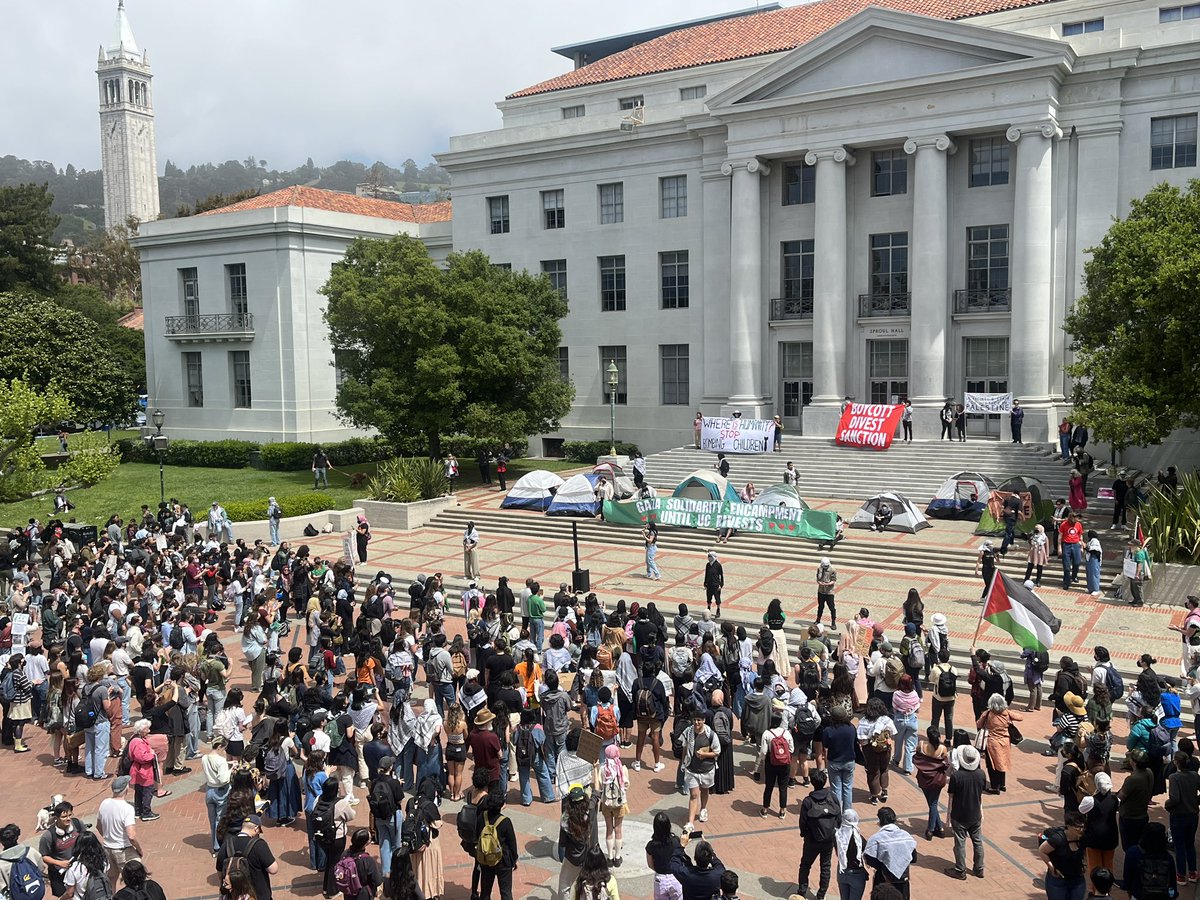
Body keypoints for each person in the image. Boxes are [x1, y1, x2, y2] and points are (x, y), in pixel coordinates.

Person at [797, 768, 841, 900]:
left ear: (812, 782)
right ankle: (821, 895)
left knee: (805, 864)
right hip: (828, 840)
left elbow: (802, 821)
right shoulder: (832, 797)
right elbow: (839, 817)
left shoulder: (808, 801)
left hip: (812, 840)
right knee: (825, 866)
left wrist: (804, 834)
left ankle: (802, 891)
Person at [943, 745, 985, 879]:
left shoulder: (957, 776)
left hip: (959, 815)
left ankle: (960, 870)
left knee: (960, 843)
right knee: (977, 841)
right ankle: (979, 868)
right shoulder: (981, 774)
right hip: (975, 814)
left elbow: (951, 795)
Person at [216, 814, 279, 900]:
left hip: (235, 896)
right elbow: (273, 869)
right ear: (256, 828)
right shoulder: (259, 845)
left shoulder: (227, 845)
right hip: (259, 895)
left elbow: (220, 872)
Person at [98, 776, 143, 890]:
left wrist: (109, 837)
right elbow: (131, 836)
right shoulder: (127, 808)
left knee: (111, 878)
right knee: (134, 880)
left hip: (108, 847)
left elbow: (98, 826)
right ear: (126, 788)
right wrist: (139, 849)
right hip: (123, 850)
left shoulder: (104, 803)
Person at [863, 807, 916, 900]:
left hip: (883, 880)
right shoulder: (906, 836)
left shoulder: (876, 838)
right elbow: (914, 858)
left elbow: (869, 859)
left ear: (880, 821)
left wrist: (882, 864)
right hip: (902, 880)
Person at [681, 711, 719, 833]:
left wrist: (705, 754)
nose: (696, 722)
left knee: (705, 790)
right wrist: (683, 762)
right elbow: (685, 748)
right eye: (694, 720)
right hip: (692, 769)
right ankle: (690, 822)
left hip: (707, 769)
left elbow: (717, 752)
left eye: (699, 720)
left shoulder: (711, 735)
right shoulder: (688, 732)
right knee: (693, 795)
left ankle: (703, 808)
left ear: (704, 720)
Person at [976, 693, 1021, 793]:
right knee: (1002, 762)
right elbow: (1020, 717)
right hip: (1005, 741)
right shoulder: (1006, 713)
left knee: (992, 765)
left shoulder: (988, 714)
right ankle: (1002, 784)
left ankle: (994, 786)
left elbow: (978, 724)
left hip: (992, 741)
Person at [1165, 752, 1199, 885]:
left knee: (1179, 846)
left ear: (1176, 763)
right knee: (1190, 844)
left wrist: (1167, 805)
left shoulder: (1174, 777)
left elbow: (1175, 798)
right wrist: (1195, 801)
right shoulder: (1195, 775)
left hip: (1178, 815)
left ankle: (1181, 875)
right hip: (1192, 815)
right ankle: (1192, 872)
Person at [1121, 821, 1177, 900]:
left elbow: (1127, 879)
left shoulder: (1132, 853)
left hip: (1139, 895)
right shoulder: (1168, 858)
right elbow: (1172, 884)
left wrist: (1130, 891)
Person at [1039, 812, 1088, 900]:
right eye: (1077, 827)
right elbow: (1042, 851)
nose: (1081, 830)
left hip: (1077, 880)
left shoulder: (1082, 838)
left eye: (1082, 827)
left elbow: (1084, 852)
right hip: (1058, 881)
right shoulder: (1057, 839)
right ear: (1068, 826)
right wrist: (1052, 868)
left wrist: (1084, 863)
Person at [856, 698, 896, 805]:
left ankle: (874, 796)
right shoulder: (886, 719)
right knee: (884, 769)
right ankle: (884, 791)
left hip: (870, 749)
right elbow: (893, 732)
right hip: (885, 748)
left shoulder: (863, 721)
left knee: (873, 772)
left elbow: (861, 739)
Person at [913, 726, 948, 840]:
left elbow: (916, 755)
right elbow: (945, 763)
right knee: (933, 804)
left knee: (932, 803)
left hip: (924, 779)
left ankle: (931, 830)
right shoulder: (942, 748)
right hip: (937, 780)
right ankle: (940, 829)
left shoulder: (921, 744)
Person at [669, 833, 725, 900]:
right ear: (710, 859)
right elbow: (717, 863)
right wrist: (709, 850)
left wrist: (681, 846)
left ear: (695, 858)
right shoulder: (718, 874)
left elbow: (673, 863)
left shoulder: (686, 874)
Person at [760, 712, 793, 818]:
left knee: (769, 786)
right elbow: (791, 749)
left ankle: (765, 809)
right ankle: (782, 810)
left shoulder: (767, 733)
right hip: (785, 763)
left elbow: (763, 751)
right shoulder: (786, 733)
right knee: (783, 787)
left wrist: (763, 760)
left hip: (771, 762)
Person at [645, 812, 683, 900]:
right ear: (668, 826)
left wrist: (661, 869)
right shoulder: (676, 841)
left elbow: (650, 865)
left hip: (660, 880)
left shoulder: (651, 845)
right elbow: (680, 857)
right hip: (675, 877)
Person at [0, 822, 44, 899]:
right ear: (17, 837)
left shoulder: (1, 863)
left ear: (1, 842)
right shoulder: (31, 851)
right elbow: (41, 868)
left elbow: (2, 887)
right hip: (35, 893)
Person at [337, 828, 382, 900]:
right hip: (363, 893)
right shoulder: (368, 860)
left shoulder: (345, 854)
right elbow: (377, 880)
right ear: (365, 843)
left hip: (349, 892)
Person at [835, 809, 868, 900]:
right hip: (856, 873)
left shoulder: (837, 835)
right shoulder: (859, 838)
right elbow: (867, 852)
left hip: (841, 871)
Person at [1060, 512, 1085, 590]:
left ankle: (1074, 576)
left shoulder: (1078, 525)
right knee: (1066, 566)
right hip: (1066, 544)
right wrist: (1059, 547)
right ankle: (1066, 582)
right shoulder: (1064, 524)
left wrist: (1081, 546)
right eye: (1074, 517)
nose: (1076, 519)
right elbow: (1060, 536)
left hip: (1076, 544)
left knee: (1077, 562)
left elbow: (1080, 535)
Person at [816, 559, 837, 630]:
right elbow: (817, 578)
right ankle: (818, 620)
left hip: (829, 592)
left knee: (832, 608)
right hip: (821, 591)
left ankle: (833, 622)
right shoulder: (819, 569)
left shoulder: (832, 570)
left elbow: (834, 580)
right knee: (820, 607)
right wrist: (820, 582)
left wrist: (827, 584)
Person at [704, 552, 723, 617]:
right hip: (709, 584)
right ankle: (708, 608)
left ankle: (718, 610)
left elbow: (721, 576)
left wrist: (721, 585)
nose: (708, 558)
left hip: (716, 585)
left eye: (710, 556)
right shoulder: (708, 565)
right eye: (708, 556)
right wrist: (705, 583)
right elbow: (706, 574)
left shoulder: (718, 565)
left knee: (717, 598)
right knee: (708, 598)